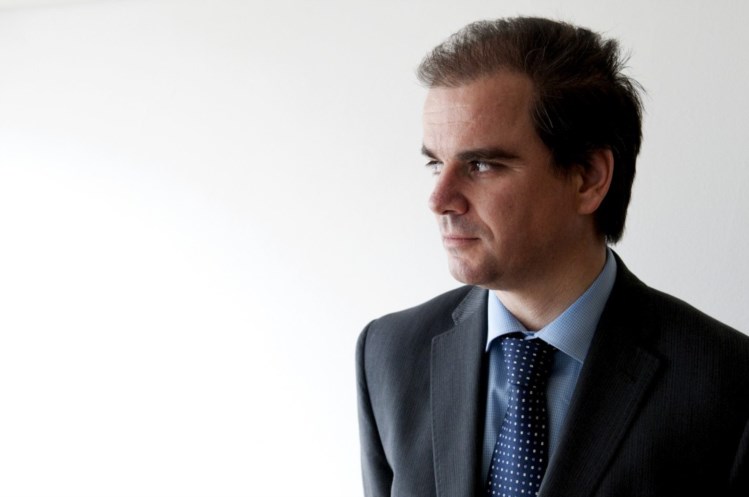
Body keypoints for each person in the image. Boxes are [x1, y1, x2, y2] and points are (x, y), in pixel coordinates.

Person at [356, 17, 749, 497]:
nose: (439, 200)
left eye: (481, 164)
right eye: (436, 163)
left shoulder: (729, 385)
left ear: (588, 178)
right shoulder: (389, 354)